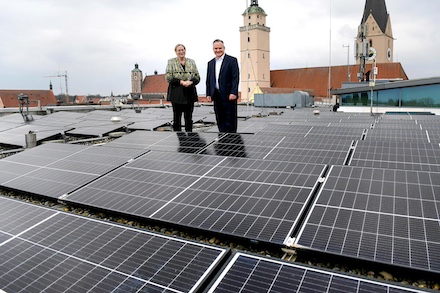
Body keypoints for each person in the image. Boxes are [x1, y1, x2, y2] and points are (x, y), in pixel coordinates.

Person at [206, 39, 240, 133]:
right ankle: (222, 140)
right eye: (215, 48)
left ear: (224, 48)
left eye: (220, 48)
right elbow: (209, 80)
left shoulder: (232, 60)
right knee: (219, 119)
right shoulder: (211, 63)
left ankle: (232, 141)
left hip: (229, 96)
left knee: (230, 120)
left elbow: (235, 78)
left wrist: (233, 92)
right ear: (213, 49)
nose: (218, 50)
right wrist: (209, 93)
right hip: (216, 95)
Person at [166, 44, 200, 132]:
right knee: (177, 118)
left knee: (188, 118)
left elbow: (197, 77)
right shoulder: (171, 62)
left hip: (189, 93)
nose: (181, 52)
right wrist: (181, 82)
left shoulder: (192, 62)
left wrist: (191, 81)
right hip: (177, 93)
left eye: (183, 50)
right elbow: (168, 77)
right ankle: (179, 139)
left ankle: (190, 138)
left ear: (185, 50)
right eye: (179, 50)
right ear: (176, 52)